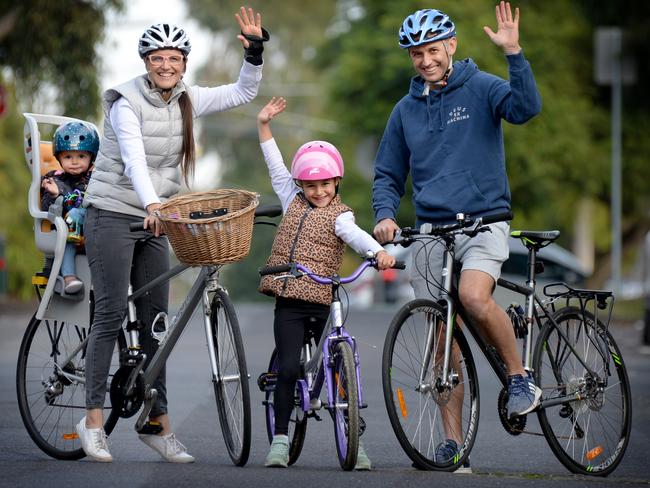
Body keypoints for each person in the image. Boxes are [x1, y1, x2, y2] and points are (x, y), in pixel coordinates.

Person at [76, 7, 268, 463]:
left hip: (157, 217)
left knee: (156, 322)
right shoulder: (125, 102)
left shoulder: (188, 98)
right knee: (108, 313)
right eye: (158, 57)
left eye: (175, 58)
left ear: (184, 63)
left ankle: (156, 424)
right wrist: (153, 205)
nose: (167, 65)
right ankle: (92, 421)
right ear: (146, 62)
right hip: (113, 211)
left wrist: (255, 53)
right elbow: (135, 160)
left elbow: (243, 91)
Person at [371, 2, 542, 468]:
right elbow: (387, 173)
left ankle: (519, 375)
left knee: (473, 296)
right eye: (415, 54)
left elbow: (525, 109)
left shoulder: (482, 87)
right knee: (439, 336)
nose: (425, 60)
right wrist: (385, 215)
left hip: (484, 221)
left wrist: (514, 55)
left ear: (450, 46)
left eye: (431, 50)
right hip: (431, 231)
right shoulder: (404, 111)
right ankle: (454, 446)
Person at [256, 97, 396, 469]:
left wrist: (377, 253)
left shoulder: (340, 216)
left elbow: (356, 236)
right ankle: (281, 440)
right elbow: (274, 166)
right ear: (300, 184)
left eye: (325, 185)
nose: (318, 192)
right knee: (287, 368)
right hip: (289, 299)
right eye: (311, 185)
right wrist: (264, 125)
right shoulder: (292, 199)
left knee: (340, 366)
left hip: (323, 298)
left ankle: (355, 441)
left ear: (337, 182)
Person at [41, 121, 98, 294]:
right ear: (59, 158)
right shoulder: (54, 179)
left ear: (91, 158)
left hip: (94, 229)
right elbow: (46, 208)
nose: (74, 162)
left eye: (81, 156)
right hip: (68, 233)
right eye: (68, 157)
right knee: (68, 241)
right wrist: (53, 195)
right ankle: (69, 278)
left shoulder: (96, 179)